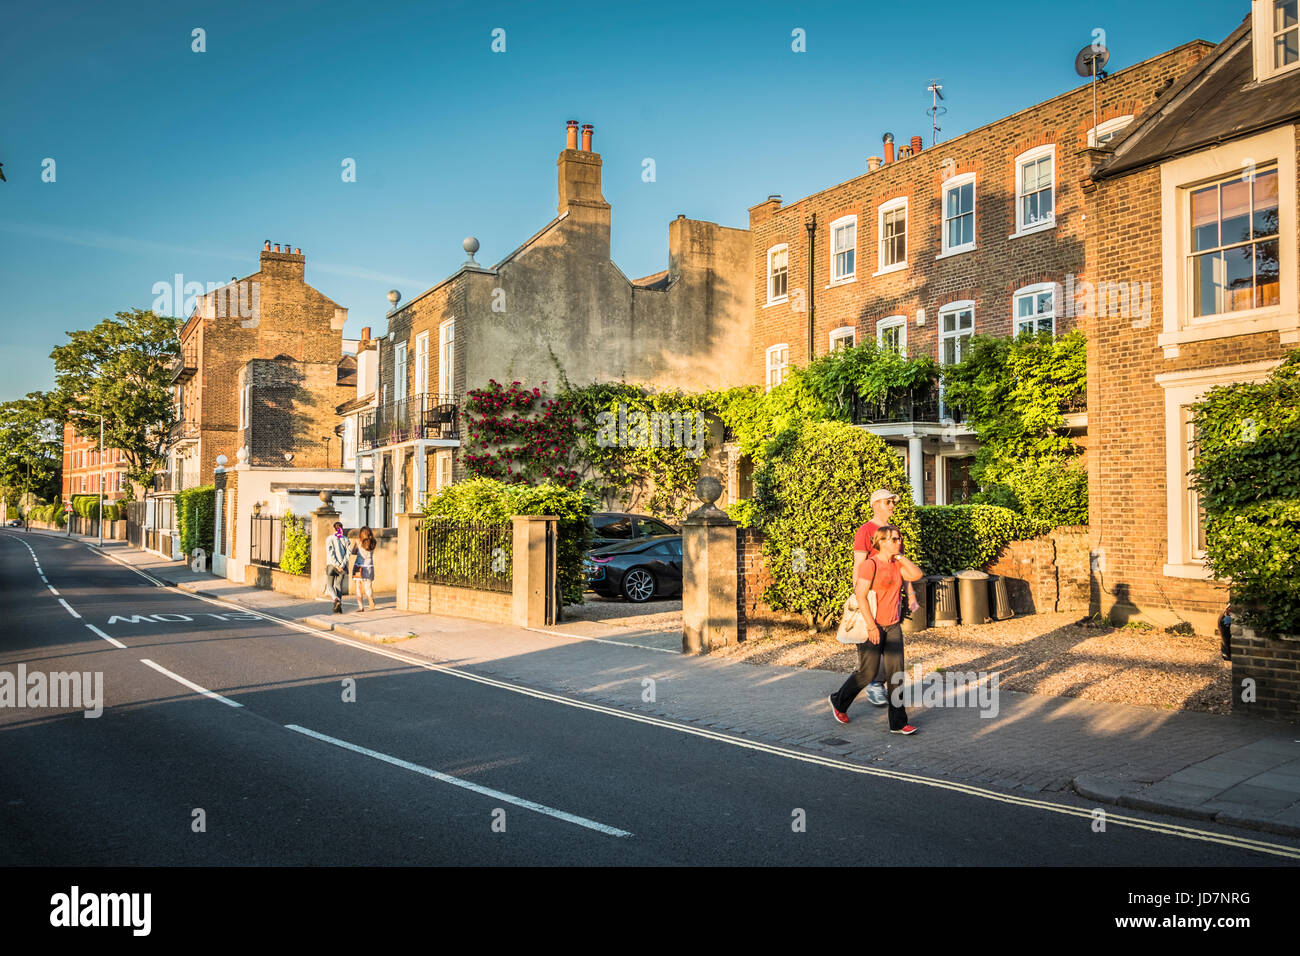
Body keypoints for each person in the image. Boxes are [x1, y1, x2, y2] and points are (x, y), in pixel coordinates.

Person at [830, 524, 924, 733]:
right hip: (871, 625)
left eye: (899, 538)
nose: (898, 542)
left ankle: (899, 723)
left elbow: (916, 574)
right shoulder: (869, 565)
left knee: (895, 674)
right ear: (880, 542)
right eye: (893, 539)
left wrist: (899, 556)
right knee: (868, 672)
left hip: (892, 626)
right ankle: (838, 701)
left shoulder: (897, 564)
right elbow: (860, 595)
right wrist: (872, 627)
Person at [853, 489, 920, 706]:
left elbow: (901, 565)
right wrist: (858, 596)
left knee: (890, 645)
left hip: (891, 596)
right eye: (888, 502)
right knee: (872, 640)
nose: (892, 505)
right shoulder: (864, 531)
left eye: (893, 502)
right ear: (875, 504)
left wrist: (910, 594)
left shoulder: (894, 532)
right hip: (872, 596)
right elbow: (859, 565)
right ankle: (872, 683)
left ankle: (882, 687)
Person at [351, 526, 377, 612]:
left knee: (358, 587)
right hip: (369, 566)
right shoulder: (373, 542)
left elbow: (354, 552)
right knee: (368, 586)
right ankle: (370, 598)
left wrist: (357, 545)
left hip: (358, 566)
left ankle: (361, 607)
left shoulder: (358, 541)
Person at [325, 521, 349, 614]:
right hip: (342, 568)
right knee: (338, 586)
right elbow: (348, 553)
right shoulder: (346, 539)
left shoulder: (329, 539)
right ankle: (339, 608)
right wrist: (342, 565)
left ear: (334, 528)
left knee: (329, 585)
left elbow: (330, 553)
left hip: (331, 565)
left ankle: (335, 599)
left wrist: (336, 564)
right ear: (341, 528)